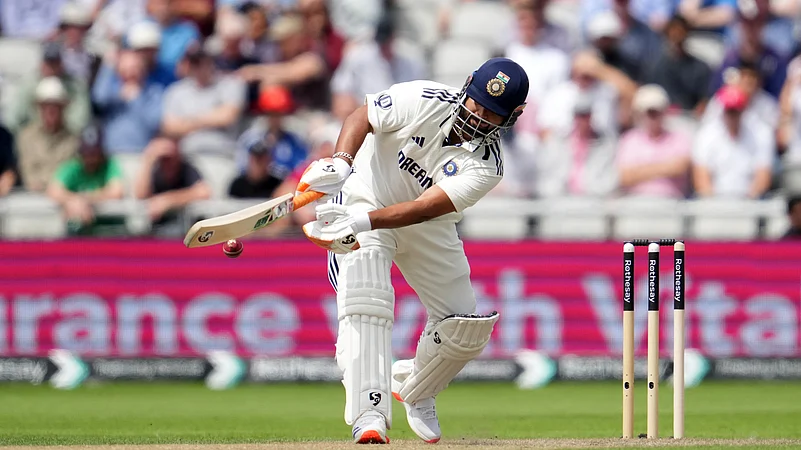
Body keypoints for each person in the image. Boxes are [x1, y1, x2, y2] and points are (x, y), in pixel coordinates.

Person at [297, 58, 529, 444]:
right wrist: (341, 162)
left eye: (492, 114)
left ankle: (416, 389)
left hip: (423, 225)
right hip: (366, 194)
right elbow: (362, 115)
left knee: (465, 329)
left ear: (513, 116)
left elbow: (423, 208)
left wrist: (361, 222)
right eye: (476, 103)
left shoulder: (488, 166)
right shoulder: (423, 97)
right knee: (367, 299)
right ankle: (368, 414)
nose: (478, 116)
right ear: (467, 84)